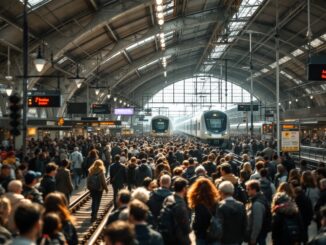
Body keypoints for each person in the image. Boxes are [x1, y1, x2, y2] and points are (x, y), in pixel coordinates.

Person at [187, 177, 220, 245]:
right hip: (213, 233)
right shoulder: (215, 202)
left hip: (201, 235)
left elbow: (198, 222)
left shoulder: (198, 205)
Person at [159, 177, 191, 245]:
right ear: (184, 189)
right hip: (179, 239)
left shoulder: (168, 198)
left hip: (168, 237)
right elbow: (185, 227)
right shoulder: (180, 205)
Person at [217, 180, 247, 245]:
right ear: (232, 192)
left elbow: (218, 226)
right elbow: (244, 223)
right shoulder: (241, 205)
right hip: (237, 239)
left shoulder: (220, 206)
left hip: (224, 240)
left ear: (220, 192)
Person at [245, 180, 270, 245]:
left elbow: (257, 223)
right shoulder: (260, 198)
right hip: (260, 234)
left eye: (248, 189)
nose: (246, 191)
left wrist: (253, 238)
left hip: (258, 236)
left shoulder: (257, 204)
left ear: (254, 190)